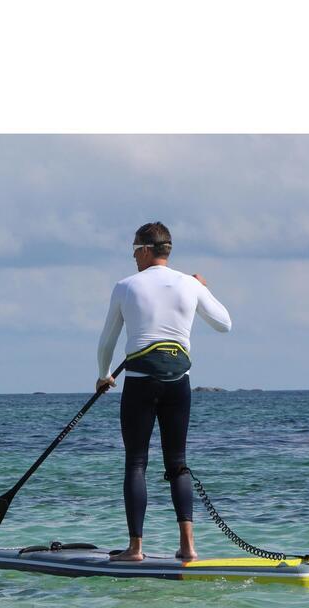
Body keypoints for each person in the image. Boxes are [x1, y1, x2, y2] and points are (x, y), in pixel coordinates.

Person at [96, 222, 232, 562]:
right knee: (178, 464)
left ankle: (135, 549)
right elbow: (224, 323)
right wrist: (203, 289)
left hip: (140, 382)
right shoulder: (190, 284)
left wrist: (103, 376)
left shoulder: (126, 286)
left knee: (136, 463)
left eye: (133, 251)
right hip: (178, 383)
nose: (132, 258)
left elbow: (108, 340)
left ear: (145, 249)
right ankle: (188, 547)